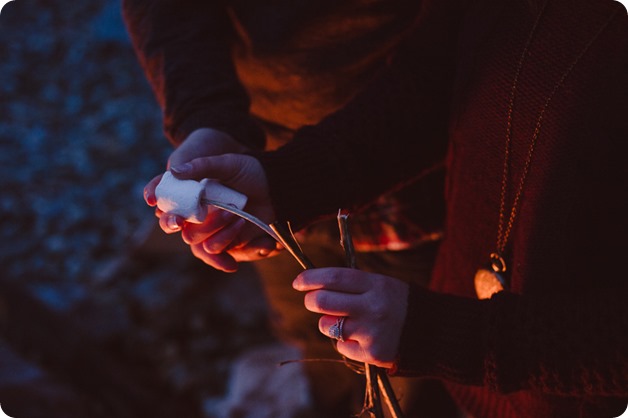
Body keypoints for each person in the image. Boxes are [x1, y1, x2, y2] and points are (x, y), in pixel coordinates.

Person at [152, 0, 628, 416]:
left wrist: (442, 335)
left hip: (559, 383)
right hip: (463, 313)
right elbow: (437, 78)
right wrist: (287, 183)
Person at [122, 0, 451, 416]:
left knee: (410, 372)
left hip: (417, 188)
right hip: (268, 185)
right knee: (312, 341)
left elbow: (453, 56)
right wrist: (207, 120)